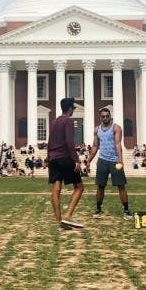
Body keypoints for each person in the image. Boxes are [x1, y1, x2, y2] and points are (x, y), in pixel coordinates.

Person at [87, 106, 132, 220]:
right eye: (103, 117)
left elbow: (118, 144)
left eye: (107, 116)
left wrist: (120, 159)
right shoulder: (97, 130)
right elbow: (95, 146)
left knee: (121, 186)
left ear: (110, 117)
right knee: (100, 186)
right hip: (102, 161)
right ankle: (98, 209)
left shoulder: (116, 128)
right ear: (100, 118)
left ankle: (126, 210)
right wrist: (88, 161)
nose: (105, 118)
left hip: (114, 161)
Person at [47, 97, 84, 230]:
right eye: (73, 108)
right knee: (79, 187)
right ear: (69, 109)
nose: (73, 110)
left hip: (53, 158)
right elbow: (69, 142)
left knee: (56, 190)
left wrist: (48, 158)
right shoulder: (68, 121)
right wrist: (76, 161)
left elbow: (50, 142)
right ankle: (68, 215)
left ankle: (59, 224)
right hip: (64, 158)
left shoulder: (54, 122)